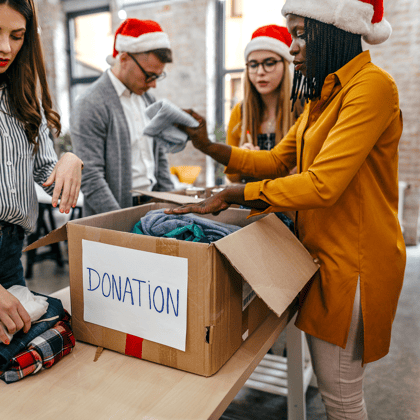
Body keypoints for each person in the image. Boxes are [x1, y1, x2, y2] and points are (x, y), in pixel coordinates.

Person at [165, 0, 406, 418]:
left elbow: (323, 184)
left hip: (354, 264)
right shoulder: (322, 96)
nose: (292, 47)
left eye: (300, 33)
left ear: (334, 28)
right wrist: (207, 146)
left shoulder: (372, 87)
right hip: (323, 254)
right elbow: (277, 159)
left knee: (342, 397)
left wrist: (237, 195)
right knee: (338, 392)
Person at [0, 0, 83, 345]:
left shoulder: (21, 92)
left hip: (10, 249)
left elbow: (44, 171)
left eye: (16, 36)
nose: (6, 48)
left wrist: (69, 160)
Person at [71, 18, 174, 217]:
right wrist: (121, 225)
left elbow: (160, 161)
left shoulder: (147, 99)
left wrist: (172, 208)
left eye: (157, 76)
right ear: (124, 59)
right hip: (114, 215)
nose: (153, 85)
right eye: (149, 75)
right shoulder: (91, 103)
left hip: (152, 208)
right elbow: (90, 177)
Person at [226, 24, 301, 183]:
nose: (260, 72)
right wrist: (242, 158)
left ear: (286, 65)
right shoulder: (240, 112)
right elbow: (231, 176)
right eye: (253, 64)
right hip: (252, 202)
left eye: (269, 62)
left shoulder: (305, 108)